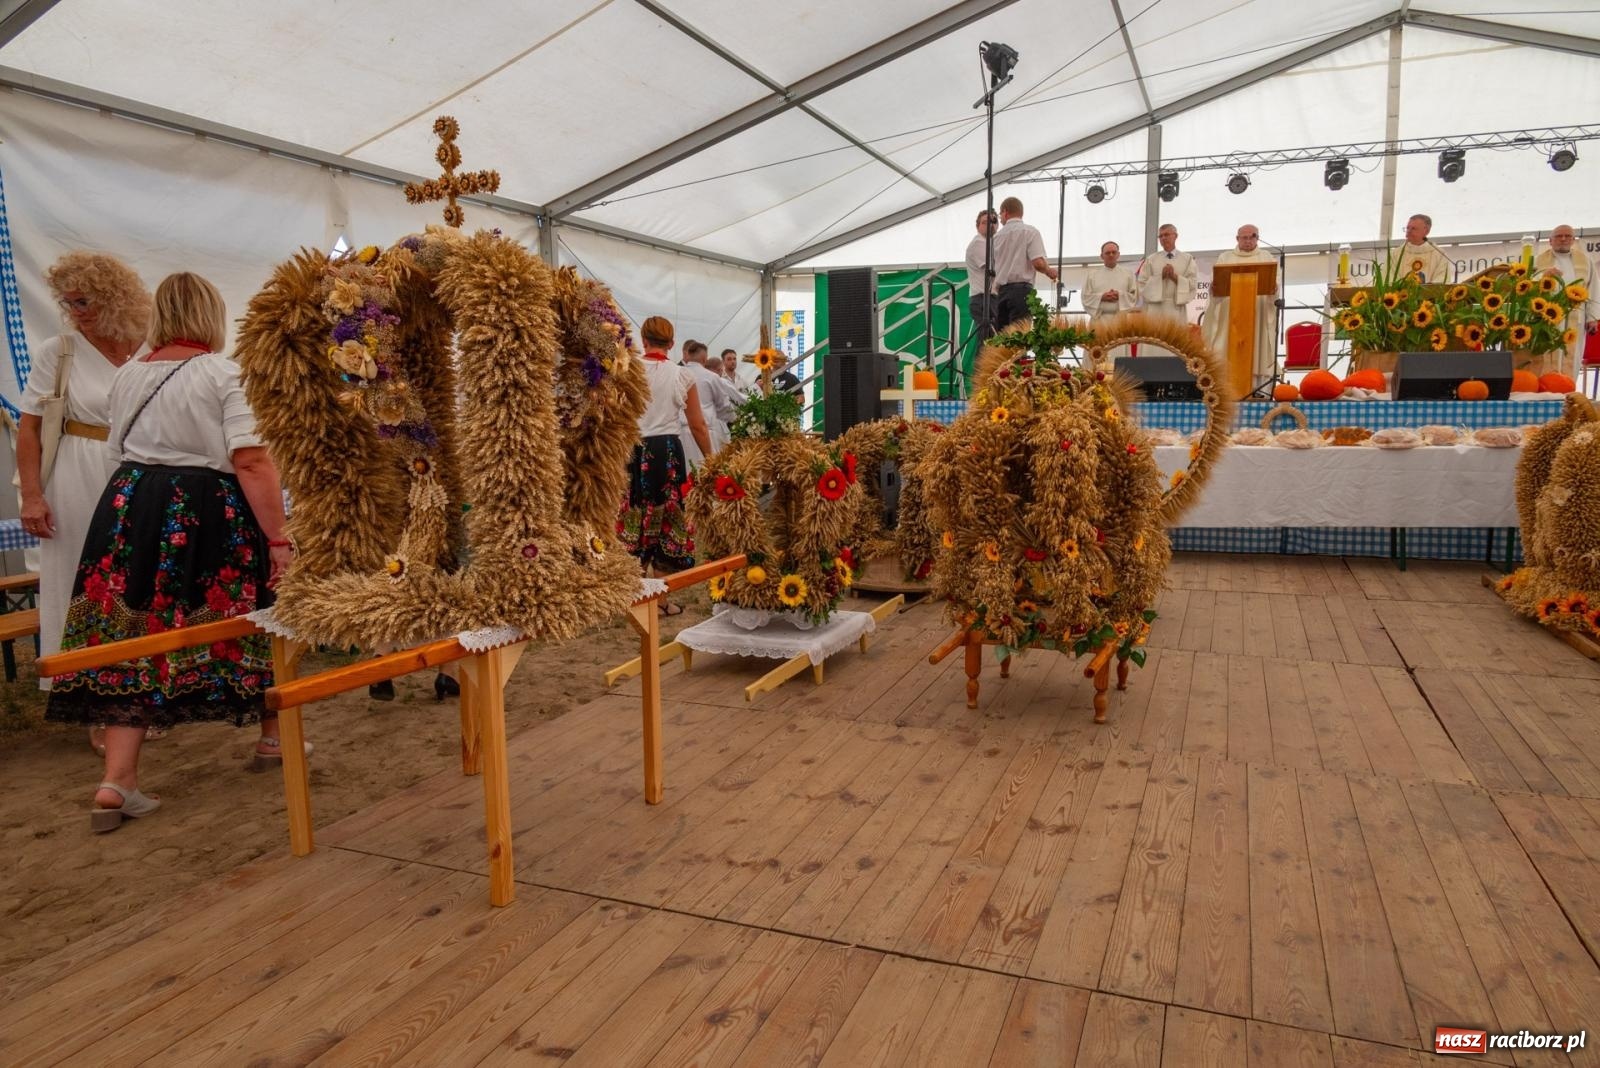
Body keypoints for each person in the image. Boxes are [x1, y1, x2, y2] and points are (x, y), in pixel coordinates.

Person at [44, 273, 293, 833]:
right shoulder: (225, 374)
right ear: (211, 315)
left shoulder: (129, 373)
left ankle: (117, 781)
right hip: (207, 506)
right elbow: (251, 460)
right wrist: (279, 537)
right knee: (258, 615)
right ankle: (274, 739)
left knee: (128, 632)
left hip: (132, 502)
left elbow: (115, 451)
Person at [18, 253, 151, 719]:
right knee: (79, 579)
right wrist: (32, 496)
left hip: (141, 471)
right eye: (68, 301)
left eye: (86, 299)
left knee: (139, 578)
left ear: (115, 296)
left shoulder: (149, 344)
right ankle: (90, 702)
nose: (76, 309)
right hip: (78, 471)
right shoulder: (59, 351)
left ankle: (138, 688)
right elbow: (29, 428)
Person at [619, 316, 710, 613]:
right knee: (667, 519)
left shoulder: (627, 370)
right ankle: (660, 601)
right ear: (672, 344)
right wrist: (710, 458)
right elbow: (697, 425)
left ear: (643, 340)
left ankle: (632, 596)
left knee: (635, 514)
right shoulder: (682, 376)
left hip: (633, 450)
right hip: (668, 450)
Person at [1201, 224, 1279, 384]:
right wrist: (1213, 288)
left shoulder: (1266, 257)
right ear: (1237, 239)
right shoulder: (1225, 258)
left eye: (1253, 236)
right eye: (1245, 237)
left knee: (1256, 351)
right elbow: (1218, 285)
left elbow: (1273, 286)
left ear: (1258, 238)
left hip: (1257, 312)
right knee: (1227, 348)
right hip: (1232, 313)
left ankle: (1257, 387)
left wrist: (1275, 288)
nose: (1249, 240)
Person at [1535, 224, 1598, 377]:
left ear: (1573, 240)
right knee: (1546, 355)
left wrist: (1593, 318)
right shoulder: (1539, 260)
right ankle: (1547, 393)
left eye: (1567, 236)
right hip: (1547, 318)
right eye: (1558, 236)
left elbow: (1594, 289)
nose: (1563, 239)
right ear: (1550, 241)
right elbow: (1530, 286)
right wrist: (1544, 277)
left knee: (1573, 355)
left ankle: (1568, 390)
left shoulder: (1585, 261)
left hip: (1576, 317)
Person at [992, 196, 1058, 330]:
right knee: (1020, 338)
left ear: (1005, 212)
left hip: (1002, 292)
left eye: (1000, 215)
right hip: (1022, 292)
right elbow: (1038, 263)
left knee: (1003, 341)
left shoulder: (996, 237)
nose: (1000, 218)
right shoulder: (1030, 232)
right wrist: (1049, 271)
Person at [678, 338, 741, 464]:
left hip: (681, 435)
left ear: (687, 356)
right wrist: (734, 419)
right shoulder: (711, 377)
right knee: (707, 474)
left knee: (686, 475)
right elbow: (723, 406)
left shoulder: (677, 374)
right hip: (706, 433)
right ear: (704, 359)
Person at [1136, 223, 1198, 324]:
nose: (1163, 238)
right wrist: (1161, 277)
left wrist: (1174, 277)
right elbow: (1142, 285)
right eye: (1160, 236)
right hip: (1155, 309)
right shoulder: (1151, 259)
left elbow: (1192, 284)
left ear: (1175, 236)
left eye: (1167, 235)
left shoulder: (1187, 259)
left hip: (1176, 307)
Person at [1081, 240, 1137, 325]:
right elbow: (1085, 298)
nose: (1111, 255)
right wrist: (1102, 297)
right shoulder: (1092, 275)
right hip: (1099, 320)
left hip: (1120, 320)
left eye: (1114, 252)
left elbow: (1134, 296)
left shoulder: (1128, 274)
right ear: (1102, 256)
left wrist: (1119, 295)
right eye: (1107, 253)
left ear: (1118, 254)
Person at [964, 208, 998, 343]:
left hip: (987, 298)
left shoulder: (990, 244)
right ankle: (981, 365)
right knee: (988, 340)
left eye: (993, 221)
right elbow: (993, 270)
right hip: (983, 298)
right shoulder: (979, 243)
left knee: (990, 340)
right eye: (985, 222)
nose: (990, 224)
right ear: (978, 226)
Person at [1394, 213, 1454, 284]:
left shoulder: (1439, 254)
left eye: (1413, 228)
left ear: (1426, 231)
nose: (1409, 231)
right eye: (1407, 228)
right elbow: (1390, 279)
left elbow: (1441, 280)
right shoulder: (1395, 254)